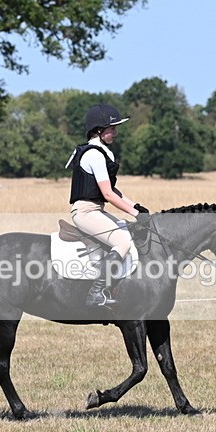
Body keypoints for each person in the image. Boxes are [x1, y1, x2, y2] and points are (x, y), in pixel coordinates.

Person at [66, 104, 151, 307]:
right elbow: (107, 195)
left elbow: (112, 190)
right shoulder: (94, 155)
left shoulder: (102, 153)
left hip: (96, 210)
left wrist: (136, 207)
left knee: (127, 232)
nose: (115, 132)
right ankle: (95, 293)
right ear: (98, 130)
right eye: (112, 128)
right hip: (85, 212)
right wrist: (134, 213)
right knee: (122, 243)